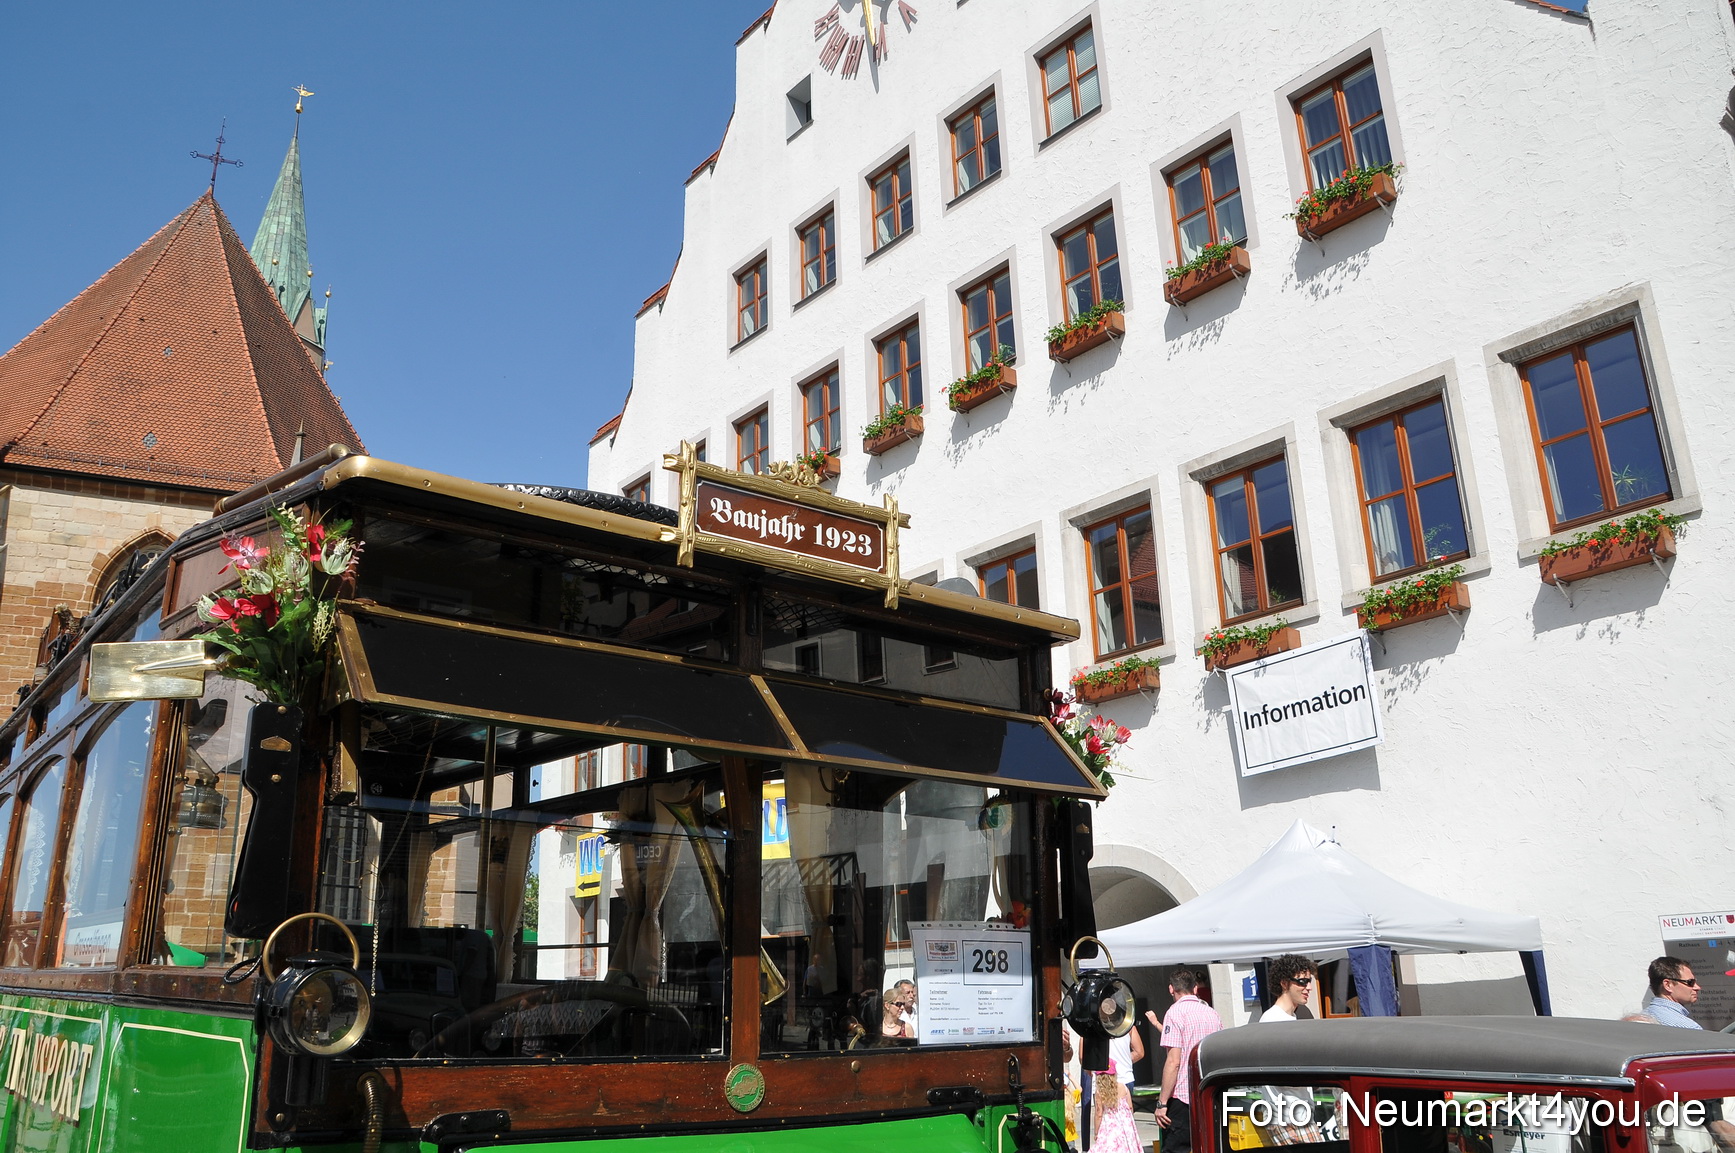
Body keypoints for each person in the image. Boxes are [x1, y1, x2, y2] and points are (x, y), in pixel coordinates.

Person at [1148, 968, 1224, 1153]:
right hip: (1209, 1092)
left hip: (1183, 1096)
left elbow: (1173, 1062)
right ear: (1195, 988)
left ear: (1171, 989)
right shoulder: (1212, 1013)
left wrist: (1162, 1102)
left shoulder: (1174, 1013)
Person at [1090, 994, 1145, 1153]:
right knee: (1125, 1119)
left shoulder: (1093, 1029)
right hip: (1125, 1078)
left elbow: (1083, 1057)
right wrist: (1123, 1063)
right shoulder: (1128, 1026)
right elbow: (1140, 1052)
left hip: (1102, 1079)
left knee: (1104, 1118)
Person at [1645, 956, 1703, 1029]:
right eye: (1690, 982)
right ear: (1668, 985)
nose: (1697, 987)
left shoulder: (1638, 1019)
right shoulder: (1689, 1027)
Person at [1262, 954, 1317, 1022]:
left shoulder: (1294, 1016)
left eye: (1309, 981)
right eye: (1302, 981)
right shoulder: (1272, 1019)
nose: (1309, 987)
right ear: (1284, 983)